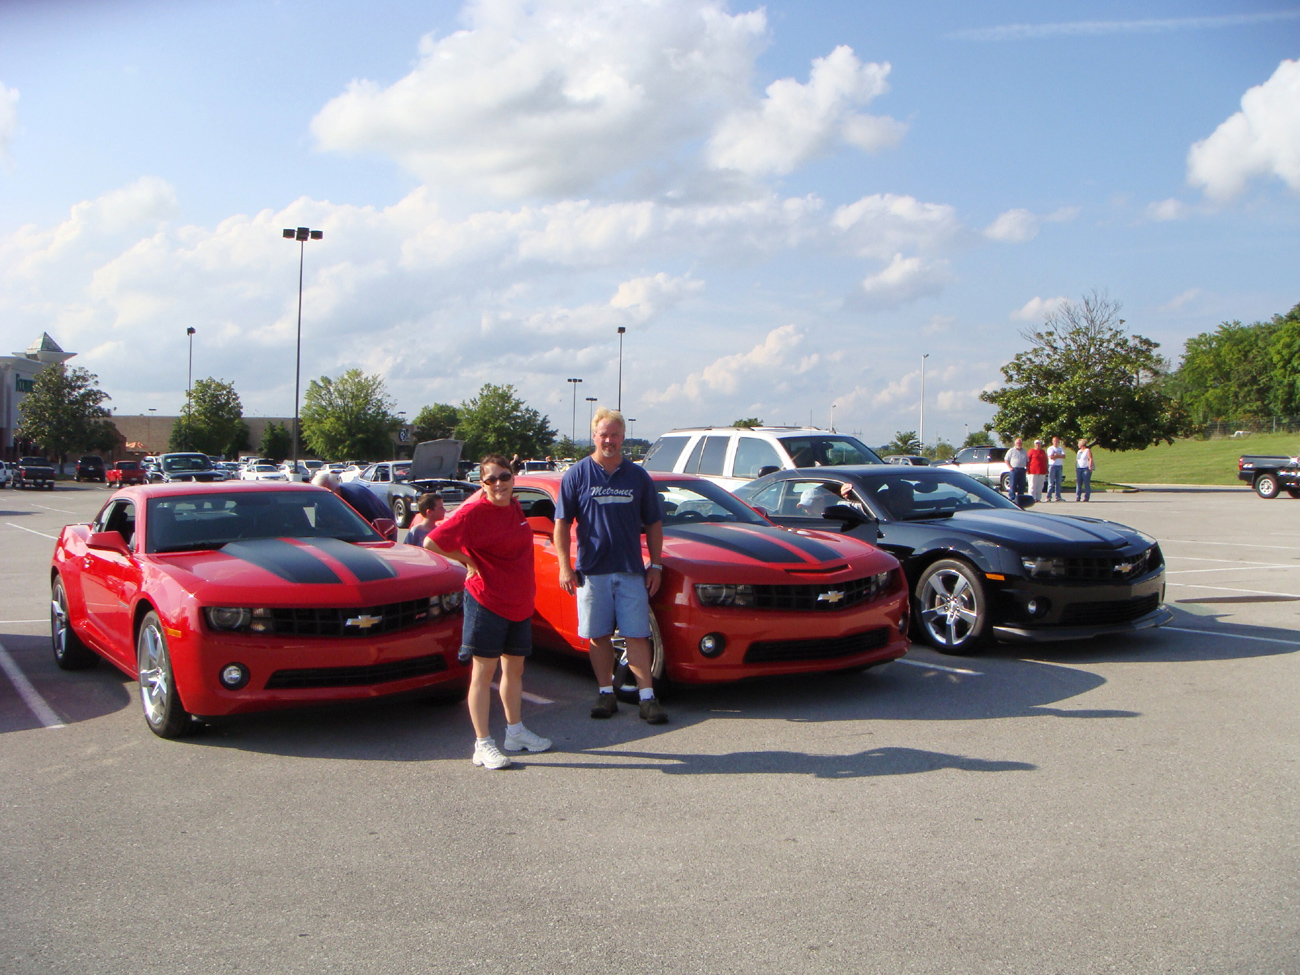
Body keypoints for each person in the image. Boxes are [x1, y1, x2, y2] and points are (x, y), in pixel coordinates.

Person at [424, 455, 551, 770]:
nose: (499, 484)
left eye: (504, 477)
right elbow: (431, 541)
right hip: (486, 602)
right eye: (491, 479)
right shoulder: (472, 512)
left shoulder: (514, 506)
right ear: (482, 484)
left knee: (515, 672)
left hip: (519, 602)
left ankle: (515, 733)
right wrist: (468, 562)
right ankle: (483, 744)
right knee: (483, 674)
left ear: (512, 477)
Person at [554, 407, 667, 724]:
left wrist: (655, 565)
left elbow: (654, 523)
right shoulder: (577, 474)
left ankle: (647, 699)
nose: (609, 440)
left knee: (637, 634)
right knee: (598, 635)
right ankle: (606, 693)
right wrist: (565, 566)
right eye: (604, 434)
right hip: (592, 572)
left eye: (615, 434)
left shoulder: (637, 476)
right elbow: (561, 524)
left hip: (631, 571)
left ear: (623, 438)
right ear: (594, 436)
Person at [311, 469, 392, 527]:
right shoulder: (320, 503)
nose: (323, 500)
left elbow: (379, 525)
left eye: (327, 495)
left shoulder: (358, 498)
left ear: (337, 490)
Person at [1004, 437, 1028, 504]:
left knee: (1022, 485)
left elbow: (1027, 460)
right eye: (1017, 443)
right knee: (1013, 485)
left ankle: (1020, 498)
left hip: (1022, 470)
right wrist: (1010, 467)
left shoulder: (1024, 451)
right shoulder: (1011, 450)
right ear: (1015, 443)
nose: (1019, 444)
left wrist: (1027, 468)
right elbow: (1006, 460)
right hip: (1014, 470)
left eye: (1020, 443)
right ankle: (1012, 498)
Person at [1046, 436, 1066, 502]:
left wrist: (1056, 455)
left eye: (1057, 441)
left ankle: (1058, 497)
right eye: (1054, 441)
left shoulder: (1060, 448)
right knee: (1051, 483)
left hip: (1059, 466)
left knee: (1058, 482)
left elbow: (1064, 456)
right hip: (1052, 466)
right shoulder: (1050, 448)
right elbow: (1051, 457)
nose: (1056, 442)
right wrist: (1058, 456)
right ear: (1052, 441)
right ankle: (1048, 497)